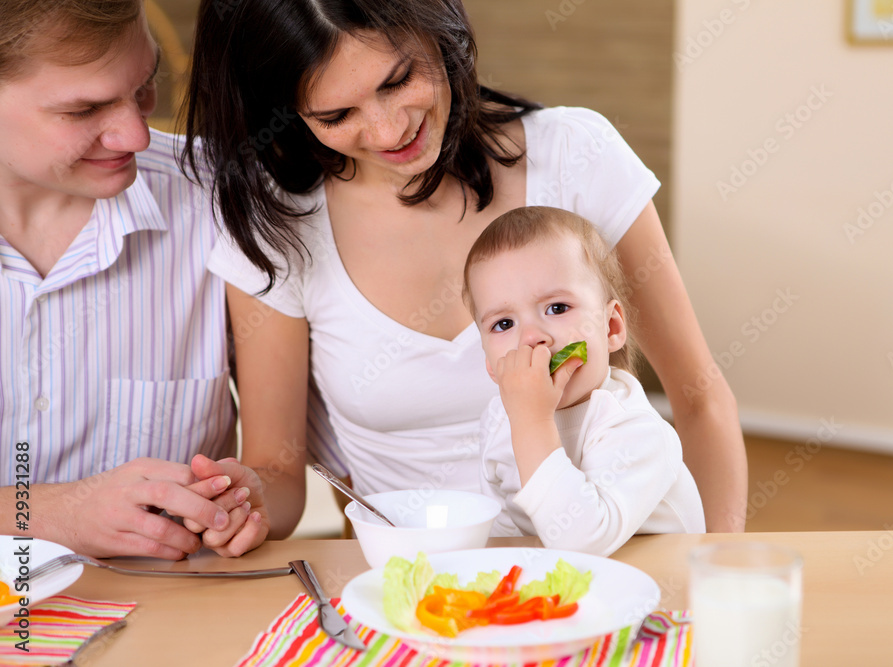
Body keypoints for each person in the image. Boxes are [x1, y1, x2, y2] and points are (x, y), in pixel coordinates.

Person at [185, 0, 747, 554]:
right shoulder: (280, 223)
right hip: (418, 588)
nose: (389, 130)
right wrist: (245, 497)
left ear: (436, 26)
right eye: (336, 116)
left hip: (614, 573)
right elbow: (278, 473)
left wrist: (721, 576)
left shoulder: (577, 156)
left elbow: (699, 401)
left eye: (399, 80)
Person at [0, 0, 258, 559]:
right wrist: (54, 514)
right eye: (85, 109)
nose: (137, 135)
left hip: (170, 622)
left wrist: (239, 499)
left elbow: (276, 474)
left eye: (144, 85)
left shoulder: (221, 199)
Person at [464, 206, 705, 556]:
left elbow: (580, 542)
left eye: (557, 308)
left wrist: (532, 422)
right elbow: (505, 536)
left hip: (665, 596)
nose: (532, 338)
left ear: (611, 328)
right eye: (503, 324)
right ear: (489, 362)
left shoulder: (635, 429)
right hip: (578, 597)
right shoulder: (500, 419)